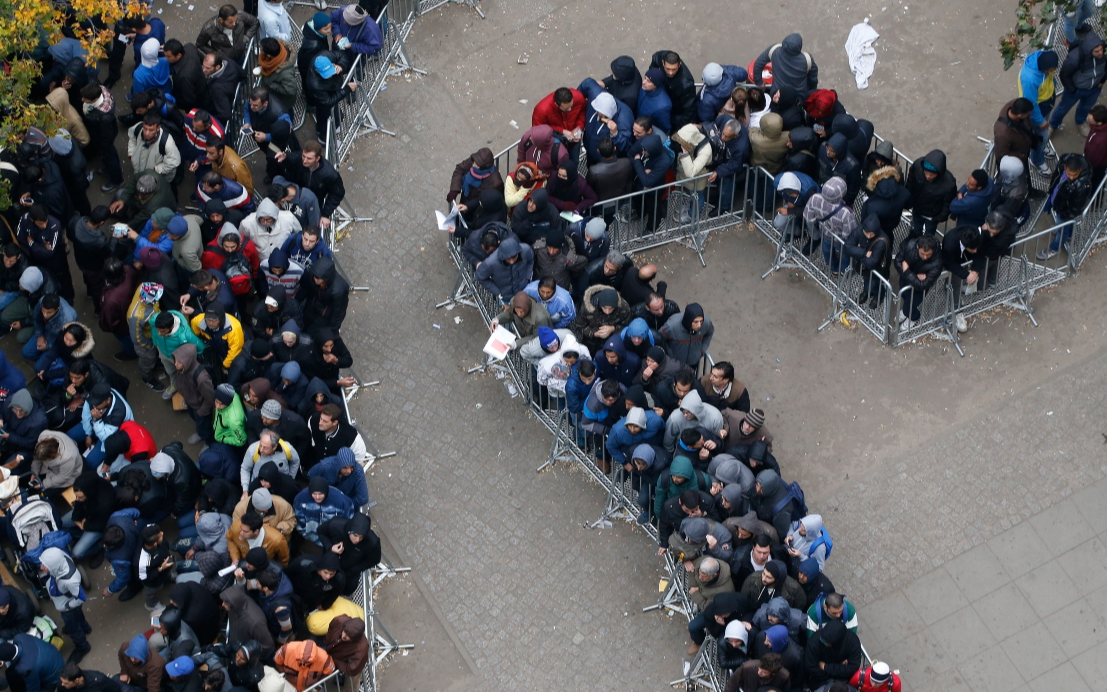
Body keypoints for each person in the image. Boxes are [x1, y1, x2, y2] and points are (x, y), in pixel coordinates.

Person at [1038, 153, 1095, 260]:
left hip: (1065, 211)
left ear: (1080, 169)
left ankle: (1055, 248)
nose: (1072, 177)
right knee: (1064, 228)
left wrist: (1065, 215)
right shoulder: (1062, 165)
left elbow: (1076, 208)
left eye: (1075, 174)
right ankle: (1068, 235)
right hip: (1060, 203)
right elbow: (1056, 179)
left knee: (1062, 230)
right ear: (1065, 167)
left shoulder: (1082, 186)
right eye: (1069, 174)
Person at [39, 547, 91, 663]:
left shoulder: (70, 581)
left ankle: (83, 646)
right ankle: (85, 628)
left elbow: (81, 598)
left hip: (68, 607)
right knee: (78, 614)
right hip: (68, 602)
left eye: (45, 566)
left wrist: (67, 606)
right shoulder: (62, 558)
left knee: (73, 627)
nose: (41, 567)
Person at [1050, 30, 1107, 136]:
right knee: (1063, 108)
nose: (1100, 53)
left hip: (1094, 88)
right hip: (1076, 89)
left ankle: (1080, 122)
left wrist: (1102, 80)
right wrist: (1072, 90)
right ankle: (1053, 124)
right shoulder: (1075, 58)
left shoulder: (1103, 54)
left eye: (1101, 49)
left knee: (1086, 107)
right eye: (1097, 51)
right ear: (1090, 50)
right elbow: (1064, 75)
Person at [283, 142, 346, 227]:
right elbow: (294, 157)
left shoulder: (329, 174)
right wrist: (285, 157)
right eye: (303, 156)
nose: (304, 161)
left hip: (314, 203)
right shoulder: (299, 160)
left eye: (309, 158)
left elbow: (337, 193)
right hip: (295, 197)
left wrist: (325, 214)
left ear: (317, 158)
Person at [905, 150, 957, 238]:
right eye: (926, 173)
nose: (928, 176)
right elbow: (910, 181)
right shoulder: (918, 167)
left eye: (932, 174)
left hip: (932, 215)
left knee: (929, 233)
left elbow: (947, 203)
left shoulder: (948, 184)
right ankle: (916, 238)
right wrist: (908, 200)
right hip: (917, 209)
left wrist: (939, 217)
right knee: (916, 228)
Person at [895, 235, 942, 329]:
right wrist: (914, 276)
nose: (925, 257)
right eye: (922, 253)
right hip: (906, 281)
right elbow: (897, 262)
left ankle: (913, 317)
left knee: (912, 303)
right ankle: (905, 312)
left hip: (918, 290)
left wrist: (907, 271)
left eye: (928, 254)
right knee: (905, 296)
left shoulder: (937, 263)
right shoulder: (910, 245)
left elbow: (923, 285)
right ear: (918, 247)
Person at [294, 476, 355, 546]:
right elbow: (299, 518)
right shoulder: (301, 499)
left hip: (332, 539)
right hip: (311, 537)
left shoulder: (340, 501)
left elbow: (348, 520)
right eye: (314, 494)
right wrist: (304, 533)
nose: (317, 497)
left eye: (320, 494)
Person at [753, 33, 818, 96]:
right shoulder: (807, 59)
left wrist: (759, 82)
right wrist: (811, 91)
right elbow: (813, 79)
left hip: (777, 95)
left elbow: (758, 64)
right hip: (798, 96)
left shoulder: (774, 50)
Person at [0, 634, 64, 692]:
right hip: (52, 654)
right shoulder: (19, 637)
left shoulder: (24, 668)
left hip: (55, 677)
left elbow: (33, 688)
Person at [660, 303, 713, 367]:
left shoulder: (706, 323)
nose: (699, 325)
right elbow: (659, 338)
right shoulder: (671, 327)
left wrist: (702, 350)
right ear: (688, 320)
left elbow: (709, 333)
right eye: (695, 322)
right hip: (674, 363)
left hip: (693, 362)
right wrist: (669, 354)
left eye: (701, 321)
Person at [324, 616, 369, 691]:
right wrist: (327, 639)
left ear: (354, 639)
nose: (343, 636)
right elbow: (331, 628)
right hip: (334, 651)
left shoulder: (361, 649)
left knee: (351, 686)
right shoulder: (340, 621)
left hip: (350, 664)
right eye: (344, 631)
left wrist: (334, 661)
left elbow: (351, 669)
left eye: (348, 636)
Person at [587, 136, 634, 202]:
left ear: (598, 151)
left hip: (601, 204)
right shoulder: (626, 162)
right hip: (621, 201)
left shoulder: (593, 170)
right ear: (614, 148)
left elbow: (589, 189)